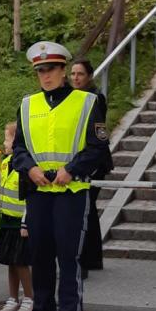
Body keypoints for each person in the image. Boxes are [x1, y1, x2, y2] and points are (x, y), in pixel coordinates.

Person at [12, 41, 110, 311]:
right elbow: (18, 150)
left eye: (51, 69)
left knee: (69, 260)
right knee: (40, 258)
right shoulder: (27, 105)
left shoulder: (87, 102)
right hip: (39, 192)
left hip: (72, 191)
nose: (46, 75)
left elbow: (98, 149)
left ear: (63, 70)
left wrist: (71, 169)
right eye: (40, 70)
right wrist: (29, 170)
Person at [69, 59, 112, 279]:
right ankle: (92, 257)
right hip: (79, 159)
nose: (75, 78)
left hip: (93, 162)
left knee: (84, 210)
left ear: (89, 76)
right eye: (73, 74)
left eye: (80, 74)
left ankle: (85, 260)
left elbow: (99, 132)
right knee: (89, 210)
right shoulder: (71, 98)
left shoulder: (94, 98)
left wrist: (96, 161)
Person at [0, 122, 33, 311]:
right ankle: (12, 299)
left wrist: (26, 221)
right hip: (6, 221)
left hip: (20, 225)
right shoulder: (5, 164)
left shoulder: (26, 167)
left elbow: (31, 197)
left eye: (7, 138)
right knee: (10, 262)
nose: (4, 142)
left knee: (21, 262)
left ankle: (29, 298)